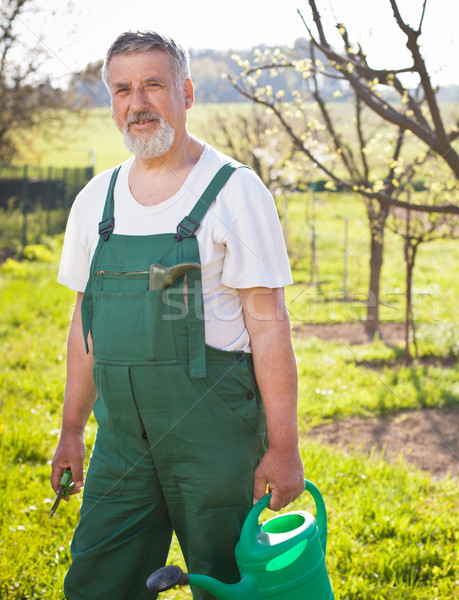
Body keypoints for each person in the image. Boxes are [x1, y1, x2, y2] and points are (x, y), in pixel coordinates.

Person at [50, 30, 304, 600]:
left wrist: (284, 446)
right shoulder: (97, 200)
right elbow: (82, 327)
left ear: (186, 92)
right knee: (97, 580)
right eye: (121, 90)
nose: (136, 103)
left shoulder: (234, 192)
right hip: (120, 437)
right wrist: (71, 431)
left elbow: (268, 324)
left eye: (152, 85)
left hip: (212, 433)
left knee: (227, 582)